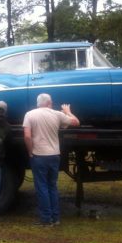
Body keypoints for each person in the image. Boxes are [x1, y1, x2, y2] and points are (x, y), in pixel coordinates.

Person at [23, 93, 80, 227]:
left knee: (42, 187)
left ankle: (46, 219)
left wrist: (30, 151)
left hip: (39, 156)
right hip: (54, 155)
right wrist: (68, 112)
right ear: (50, 102)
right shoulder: (57, 114)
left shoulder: (29, 114)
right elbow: (76, 122)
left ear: (38, 103)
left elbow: (27, 136)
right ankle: (55, 218)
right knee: (52, 187)